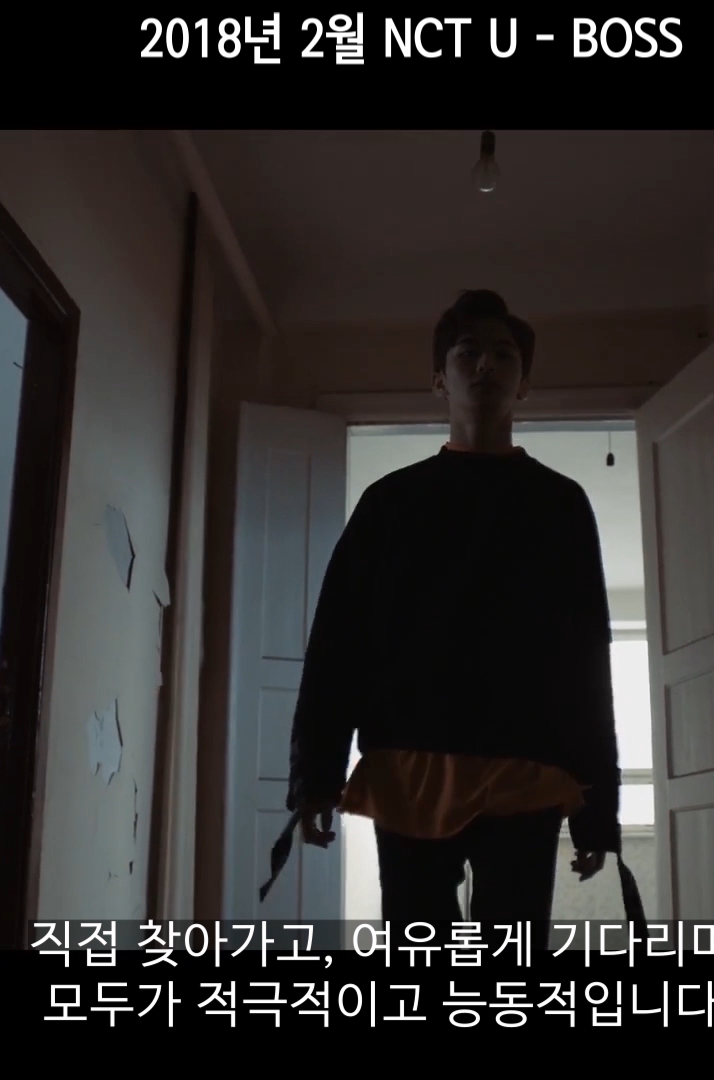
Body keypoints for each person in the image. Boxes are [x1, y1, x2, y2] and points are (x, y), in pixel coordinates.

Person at [258, 289, 643, 935]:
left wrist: (597, 810)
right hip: (409, 775)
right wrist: (315, 779)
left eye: (504, 354)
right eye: (468, 352)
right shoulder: (389, 504)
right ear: (439, 377)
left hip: (525, 775)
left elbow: (586, 658)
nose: (486, 365)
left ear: (524, 382)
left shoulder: (560, 505)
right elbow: (337, 646)